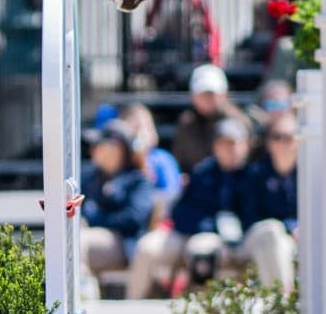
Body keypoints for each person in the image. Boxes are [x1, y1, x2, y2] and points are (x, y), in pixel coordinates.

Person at [128, 117, 269, 298]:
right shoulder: (203, 173)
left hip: (237, 240)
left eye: (233, 144)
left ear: (246, 145)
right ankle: (134, 308)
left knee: (202, 249)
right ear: (215, 146)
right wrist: (206, 226)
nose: (228, 149)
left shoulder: (254, 176)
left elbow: (255, 216)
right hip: (191, 233)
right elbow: (181, 212)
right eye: (223, 144)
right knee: (147, 247)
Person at [80, 119, 156, 294]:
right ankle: (81, 296)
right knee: (70, 239)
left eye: (100, 145)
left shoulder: (137, 179)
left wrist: (98, 217)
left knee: (78, 241)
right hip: (95, 236)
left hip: (125, 242)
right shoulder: (90, 177)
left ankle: (82, 294)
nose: (94, 149)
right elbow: (82, 210)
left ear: (118, 149)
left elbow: (133, 218)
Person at [240, 113, 299, 290]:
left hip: (293, 241)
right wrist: (290, 226)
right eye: (276, 137)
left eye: (289, 137)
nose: (282, 143)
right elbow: (251, 216)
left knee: (280, 244)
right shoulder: (254, 174)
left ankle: (279, 302)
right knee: (272, 233)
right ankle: (282, 300)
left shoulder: (310, 174)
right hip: (258, 237)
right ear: (268, 142)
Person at [170, 63, 249, 177]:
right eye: (202, 94)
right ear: (193, 96)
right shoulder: (186, 123)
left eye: (211, 94)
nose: (207, 99)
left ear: (224, 94)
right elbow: (180, 161)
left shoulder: (237, 121)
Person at [117, 102, 182, 211]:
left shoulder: (162, 158)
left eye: (146, 126)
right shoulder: (118, 161)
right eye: (136, 128)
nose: (142, 133)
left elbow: (169, 196)